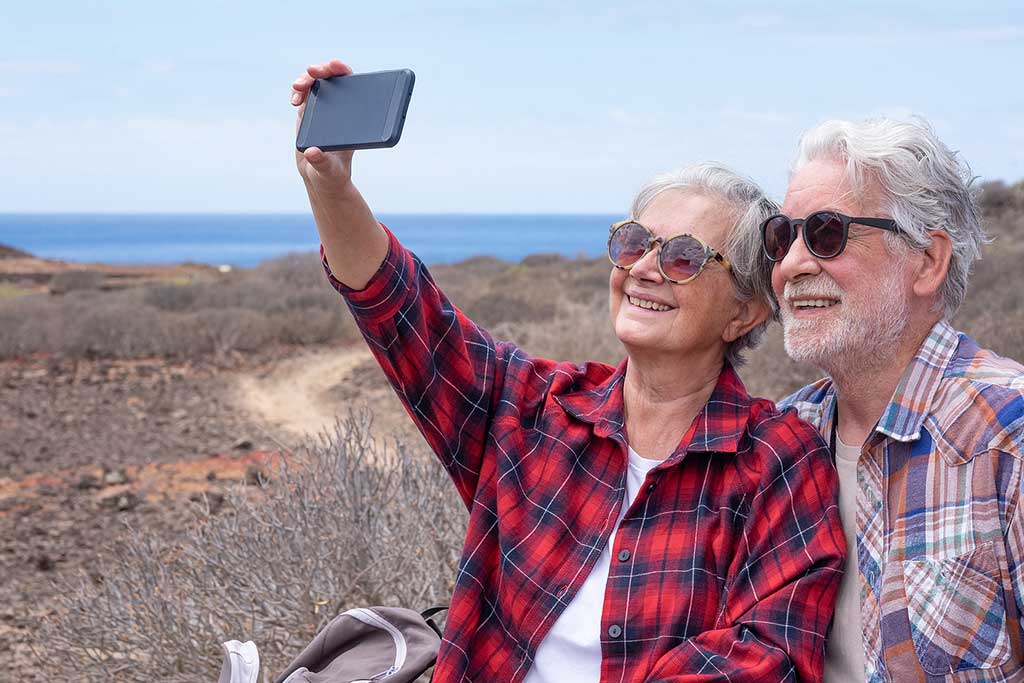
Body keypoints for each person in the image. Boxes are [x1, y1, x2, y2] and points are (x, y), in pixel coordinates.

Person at [291, 58, 844, 683]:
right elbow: (401, 311)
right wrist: (331, 186)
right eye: (635, 242)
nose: (644, 268)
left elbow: (769, 654)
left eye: (686, 257)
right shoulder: (533, 411)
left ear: (743, 312)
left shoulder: (775, 463)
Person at [762, 117, 1024, 682]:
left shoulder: (1009, 435)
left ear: (928, 261)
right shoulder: (787, 436)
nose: (792, 264)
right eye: (782, 237)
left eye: (827, 233)